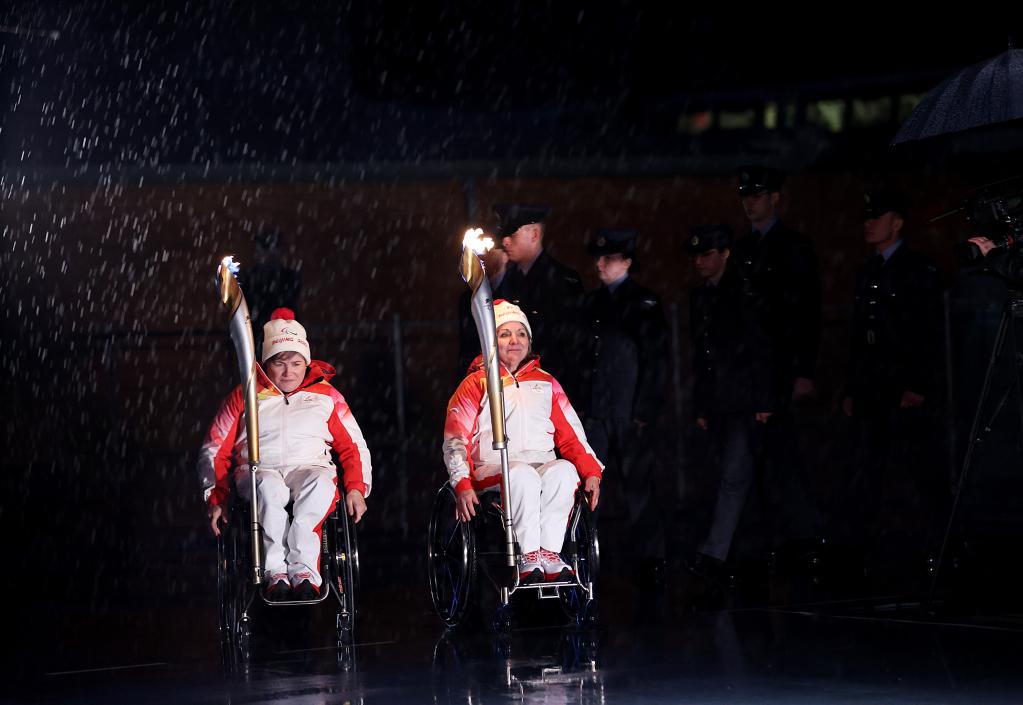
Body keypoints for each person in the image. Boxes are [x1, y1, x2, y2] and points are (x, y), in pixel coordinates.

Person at [199, 308, 372, 601]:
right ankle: (275, 571)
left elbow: (353, 446)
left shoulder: (326, 396)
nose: (288, 372)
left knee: (319, 484)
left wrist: (356, 488)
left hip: (310, 467)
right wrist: (216, 497)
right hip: (258, 470)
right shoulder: (245, 395)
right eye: (280, 363)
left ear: (307, 363)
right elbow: (214, 448)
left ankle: (304, 571)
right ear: (266, 363)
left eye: (296, 363)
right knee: (269, 490)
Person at [442, 300, 603, 583]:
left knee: (564, 471)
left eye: (521, 334)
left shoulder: (547, 382)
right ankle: (528, 554)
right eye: (505, 334)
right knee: (523, 474)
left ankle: (549, 553)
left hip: (541, 464)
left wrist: (591, 472)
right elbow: (455, 439)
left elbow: (572, 435)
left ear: (529, 340)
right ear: (492, 341)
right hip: (494, 469)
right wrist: (462, 484)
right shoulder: (476, 383)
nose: (514, 340)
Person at [842, 190, 947, 563]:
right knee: (868, 468)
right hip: (874, 384)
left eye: (877, 216)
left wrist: (917, 384)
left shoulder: (917, 269)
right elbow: (860, 334)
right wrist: (853, 387)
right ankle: (864, 545)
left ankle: (939, 542)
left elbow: (926, 331)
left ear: (897, 222)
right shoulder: (869, 270)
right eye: (867, 217)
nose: (869, 223)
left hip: (901, 383)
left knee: (920, 467)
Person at [730, 166, 822, 557]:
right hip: (754, 370)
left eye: (757, 195)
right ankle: (775, 540)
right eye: (746, 196)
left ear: (774, 198)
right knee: (759, 460)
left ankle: (801, 540)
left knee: (785, 456)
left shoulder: (793, 247)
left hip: (782, 366)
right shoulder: (744, 249)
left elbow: (805, 314)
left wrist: (803, 370)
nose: (750, 203)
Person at [684, 225, 774, 578]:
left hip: (745, 397)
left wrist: (763, 398)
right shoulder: (702, 296)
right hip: (721, 399)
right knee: (725, 475)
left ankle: (718, 553)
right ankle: (738, 552)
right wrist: (702, 404)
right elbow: (702, 357)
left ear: (725, 255)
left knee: (737, 475)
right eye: (697, 255)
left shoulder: (744, 292)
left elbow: (759, 347)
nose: (700, 262)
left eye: (707, 254)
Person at [579, 228, 669, 575]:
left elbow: (655, 359)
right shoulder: (593, 302)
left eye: (609, 258)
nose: (600, 264)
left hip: (628, 410)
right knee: (590, 483)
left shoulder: (643, 302)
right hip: (600, 409)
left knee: (638, 486)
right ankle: (586, 552)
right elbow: (585, 357)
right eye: (599, 258)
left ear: (627, 262)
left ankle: (651, 558)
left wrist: (645, 408)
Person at [492, 203, 585, 396]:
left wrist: (574, 394)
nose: (506, 242)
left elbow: (573, 344)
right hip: (510, 387)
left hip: (550, 387)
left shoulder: (562, 281)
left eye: (513, 234)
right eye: (504, 235)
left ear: (534, 234)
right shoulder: (505, 280)